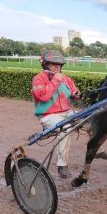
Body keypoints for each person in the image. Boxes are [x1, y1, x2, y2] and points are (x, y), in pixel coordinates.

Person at [31, 50, 80, 179]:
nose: (57, 66)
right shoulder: (38, 79)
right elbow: (44, 96)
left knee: (89, 118)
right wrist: (56, 80)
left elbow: (73, 91)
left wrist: (76, 94)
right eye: (53, 64)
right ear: (45, 64)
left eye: (59, 64)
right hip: (48, 115)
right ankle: (62, 165)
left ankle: (98, 151)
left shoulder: (66, 79)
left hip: (67, 112)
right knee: (67, 128)